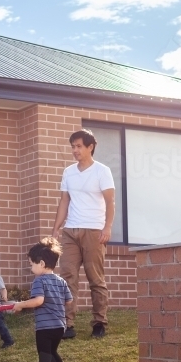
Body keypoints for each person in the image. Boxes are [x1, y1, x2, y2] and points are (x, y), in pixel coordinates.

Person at [52, 128, 116, 340]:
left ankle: (99, 322)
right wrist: (56, 229)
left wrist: (107, 227)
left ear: (90, 147)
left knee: (95, 278)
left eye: (79, 146)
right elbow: (64, 202)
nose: (75, 150)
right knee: (68, 276)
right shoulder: (68, 172)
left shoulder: (102, 171)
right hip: (71, 231)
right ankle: (67, 324)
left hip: (94, 231)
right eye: (73, 146)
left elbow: (110, 202)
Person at [12, 237, 79, 362]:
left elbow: (38, 301)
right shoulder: (61, 280)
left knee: (44, 356)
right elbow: (69, 300)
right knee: (52, 352)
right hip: (59, 326)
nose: (31, 268)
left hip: (44, 328)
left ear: (41, 263)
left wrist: (20, 304)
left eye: (31, 264)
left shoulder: (38, 281)